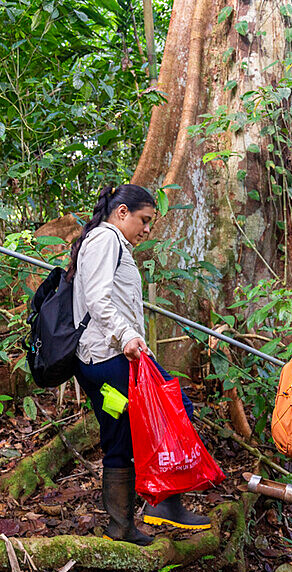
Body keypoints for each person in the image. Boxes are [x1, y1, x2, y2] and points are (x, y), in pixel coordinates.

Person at [69, 184, 211, 545]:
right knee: (171, 410)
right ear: (122, 213)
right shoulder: (106, 240)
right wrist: (126, 335)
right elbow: (97, 299)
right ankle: (143, 514)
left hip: (114, 358)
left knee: (129, 433)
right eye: (144, 220)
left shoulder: (111, 243)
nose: (147, 229)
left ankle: (139, 515)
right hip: (110, 358)